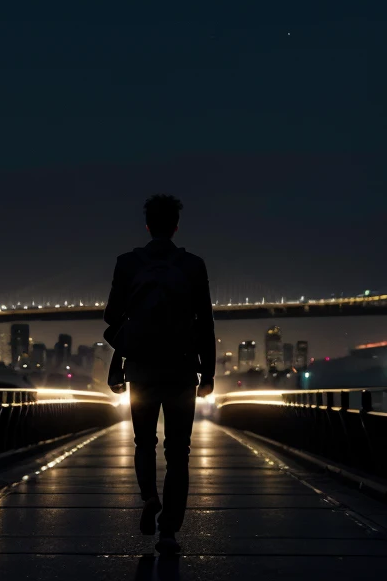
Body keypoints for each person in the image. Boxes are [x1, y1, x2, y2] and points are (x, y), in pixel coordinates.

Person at [103, 194, 215, 554]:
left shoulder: (127, 263)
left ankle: (150, 496)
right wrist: (208, 373)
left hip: (142, 370)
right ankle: (169, 531)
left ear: (147, 225)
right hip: (182, 370)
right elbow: (205, 322)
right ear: (176, 227)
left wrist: (122, 357)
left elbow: (112, 318)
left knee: (144, 443)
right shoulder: (193, 265)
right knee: (178, 451)